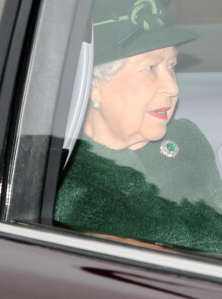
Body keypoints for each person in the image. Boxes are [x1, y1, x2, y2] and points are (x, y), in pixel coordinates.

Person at [54, 0, 222, 252]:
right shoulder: (71, 181)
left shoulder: (187, 138)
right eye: (150, 68)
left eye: (171, 66)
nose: (173, 87)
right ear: (93, 85)